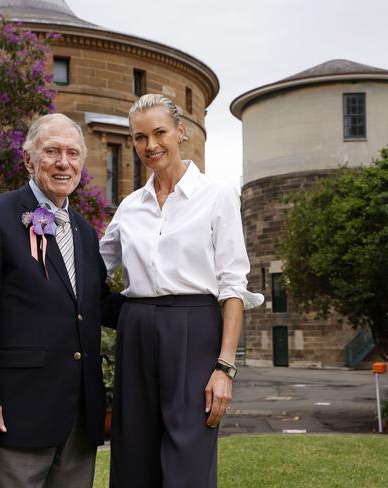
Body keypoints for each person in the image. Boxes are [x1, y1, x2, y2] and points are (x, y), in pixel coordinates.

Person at [99, 94, 264, 488]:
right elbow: (92, 269)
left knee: (188, 456)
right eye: (140, 137)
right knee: (132, 453)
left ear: (181, 132)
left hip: (194, 329)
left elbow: (232, 285)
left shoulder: (217, 196)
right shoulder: (129, 207)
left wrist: (225, 367)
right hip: (136, 328)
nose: (151, 145)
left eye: (159, 133)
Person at [0, 113, 108, 488]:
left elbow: (95, 305)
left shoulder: (86, 234)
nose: (63, 162)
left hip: (78, 418)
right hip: (16, 413)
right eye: (51, 151)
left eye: (72, 153)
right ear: (28, 160)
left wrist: (171, 310)